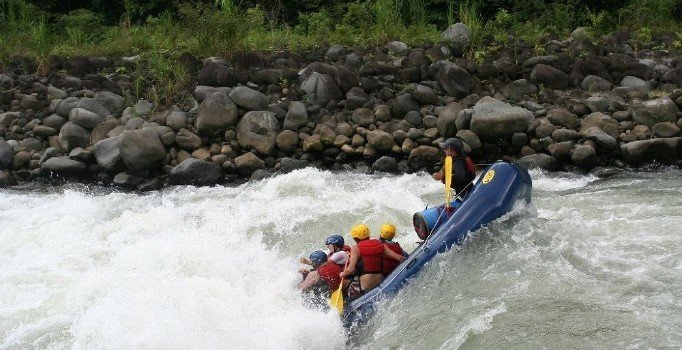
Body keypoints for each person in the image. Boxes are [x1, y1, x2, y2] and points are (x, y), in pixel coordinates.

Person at [341, 224, 405, 300]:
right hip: (380, 282)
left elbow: (351, 270)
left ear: (355, 238)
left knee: (344, 283)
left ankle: (347, 303)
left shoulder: (355, 248)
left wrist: (343, 273)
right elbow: (400, 258)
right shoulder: (380, 244)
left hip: (364, 287)